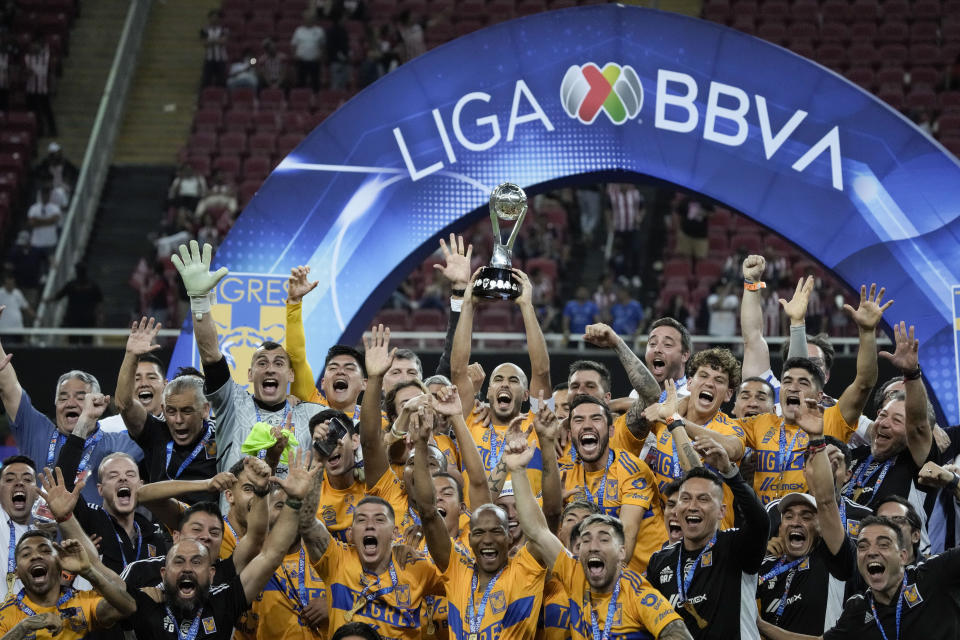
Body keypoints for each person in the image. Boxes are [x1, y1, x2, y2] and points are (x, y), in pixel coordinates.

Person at [502, 433, 693, 640]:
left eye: (603, 539)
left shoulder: (636, 591)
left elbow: (677, 632)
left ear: (622, 552)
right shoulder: (574, 573)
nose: (593, 546)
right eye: (585, 539)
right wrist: (518, 471)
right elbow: (537, 532)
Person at [122, 449, 317, 640]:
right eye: (197, 530)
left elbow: (267, 550)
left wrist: (287, 498)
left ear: (211, 572)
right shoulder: (142, 577)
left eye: (215, 532)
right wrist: (206, 484)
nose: (205, 536)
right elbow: (142, 495)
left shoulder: (225, 593)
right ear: (176, 536)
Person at [171, 241, 324, 477]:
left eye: (279, 363)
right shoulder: (232, 403)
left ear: (291, 375)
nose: (270, 369)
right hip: (233, 514)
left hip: (289, 514)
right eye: (262, 363)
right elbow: (211, 356)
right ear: (250, 374)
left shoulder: (312, 415)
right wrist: (199, 300)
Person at [410, 419, 548, 640]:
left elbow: (541, 528)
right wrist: (420, 445)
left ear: (509, 536)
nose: (487, 539)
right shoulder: (457, 570)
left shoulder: (524, 570)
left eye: (496, 531)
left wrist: (520, 469)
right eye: (479, 533)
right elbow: (427, 511)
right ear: (469, 538)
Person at [297, 454, 443, 640]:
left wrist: (431, 526)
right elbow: (307, 524)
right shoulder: (337, 560)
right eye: (361, 520)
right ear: (351, 532)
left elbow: (460, 577)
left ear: (395, 533)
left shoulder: (415, 567)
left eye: (380, 520)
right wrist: (306, 488)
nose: (370, 525)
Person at [757, 515, 960, 640]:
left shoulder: (933, 574)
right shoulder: (858, 609)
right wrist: (759, 623)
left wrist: (953, 482)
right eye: (862, 546)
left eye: (883, 544)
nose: (871, 552)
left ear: (903, 556)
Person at [645, 436, 769, 638]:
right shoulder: (659, 561)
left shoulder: (735, 546)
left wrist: (729, 471)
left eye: (703, 499)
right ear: (676, 511)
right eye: (685, 499)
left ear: (721, 512)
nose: (692, 506)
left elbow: (760, 522)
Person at [0, 334, 143, 506]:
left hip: (93, 533)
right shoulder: (37, 431)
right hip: (40, 532)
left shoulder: (119, 444)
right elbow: (8, 387)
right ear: (55, 404)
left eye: (81, 397)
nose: (70, 403)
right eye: (63, 397)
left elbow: (154, 434)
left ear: (96, 402)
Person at [756, 395, 855, 636]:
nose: (796, 522)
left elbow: (826, 500)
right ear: (779, 528)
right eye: (788, 516)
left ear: (821, 527)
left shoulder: (832, 561)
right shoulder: (764, 566)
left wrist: (816, 440)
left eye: (807, 516)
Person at [450, 265, 551, 497]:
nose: (505, 384)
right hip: (476, 525)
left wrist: (526, 305)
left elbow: (542, 372)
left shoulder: (537, 423)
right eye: (498, 379)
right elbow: (457, 371)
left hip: (527, 526)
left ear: (526, 394)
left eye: (514, 380)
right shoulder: (471, 420)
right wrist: (468, 306)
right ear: (487, 392)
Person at [116, 319, 217, 502]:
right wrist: (131, 355)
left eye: (187, 411)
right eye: (171, 411)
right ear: (163, 408)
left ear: (205, 410)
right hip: (163, 528)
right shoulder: (156, 434)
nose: (178, 420)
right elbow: (124, 404)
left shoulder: (222, 436)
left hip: (208, 527)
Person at [561, 393, 666, 572]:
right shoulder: (565, 475)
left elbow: (624, 545)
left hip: (647, 578)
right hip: (595, 576)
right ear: (570, 434)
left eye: (596, 419)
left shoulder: (632, 469)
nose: (587, 425)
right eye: (579, 420)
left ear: (611, 431)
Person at [842, 323, 934, 524]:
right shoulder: (854, 456)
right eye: (883, 415)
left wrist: (912, 373)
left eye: (897, 420)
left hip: (897, 552)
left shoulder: (917, 464)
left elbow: (919, 425)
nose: (884, 423)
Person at [0, 531, 135, 639]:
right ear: (16, 572)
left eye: (46, 551)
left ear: (59, 563)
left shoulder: (83, 602)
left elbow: (128, 607)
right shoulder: (5, 613)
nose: (35, 556)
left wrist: (88, 571)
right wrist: (24, 626)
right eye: (26, 554)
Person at [103, 319, 167, 434]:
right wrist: (131, 355)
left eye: (151, 377)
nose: (144, 383)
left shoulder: (176, 425)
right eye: (136, 379)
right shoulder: (106, 429)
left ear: (165, 384)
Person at [0, 456, 38, 601]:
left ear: (36, 491)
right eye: (9, 479)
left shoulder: (45, 537)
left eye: (27, 480)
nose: (19, 483)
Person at [48, 264, 104, 334]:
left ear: (77, 272)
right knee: (87, 341)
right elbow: (99, 302)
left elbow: (58, 296)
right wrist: (100, 316)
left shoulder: (71, 285)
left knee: (74, 341)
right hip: (87, 318)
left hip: (74, 318)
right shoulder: (93, 285)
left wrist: (47, 300)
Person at [291, 12, 325, 91]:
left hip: (314, 61)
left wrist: (321, 56)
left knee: (315, 82)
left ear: (313, 20)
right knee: (301, 82)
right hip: (301, 61)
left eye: (310, 18)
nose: (308, 20)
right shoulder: (299, 30)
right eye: (306, 19)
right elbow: (293, 45)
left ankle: (316, 98)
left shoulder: (319, 31)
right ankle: (300, 98)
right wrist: (294, 55)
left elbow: (323, 46)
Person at [25, 183, 60, 257]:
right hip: (36, 242)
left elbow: (54, 220)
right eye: (43, 194)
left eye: (46, 194)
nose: (45, 196)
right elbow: (31, 223)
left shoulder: (55, 208)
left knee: (49, 266)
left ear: (49, 195)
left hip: (50, 242)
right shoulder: (33, 208)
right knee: (35, 266)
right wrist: (48, 221)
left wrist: (38, 220)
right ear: (41, 195)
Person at [201, 10, 228, 86]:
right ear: (209, 18)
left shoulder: (223, 29)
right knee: (206, 80)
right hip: (209, 59)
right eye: (213, 17)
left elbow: (223, 42)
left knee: (221, 80)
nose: (214, 19)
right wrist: (217, 40)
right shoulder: (204, 30)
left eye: (216, 17)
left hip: (221, 58)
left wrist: (210, 41)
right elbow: (204, 43)